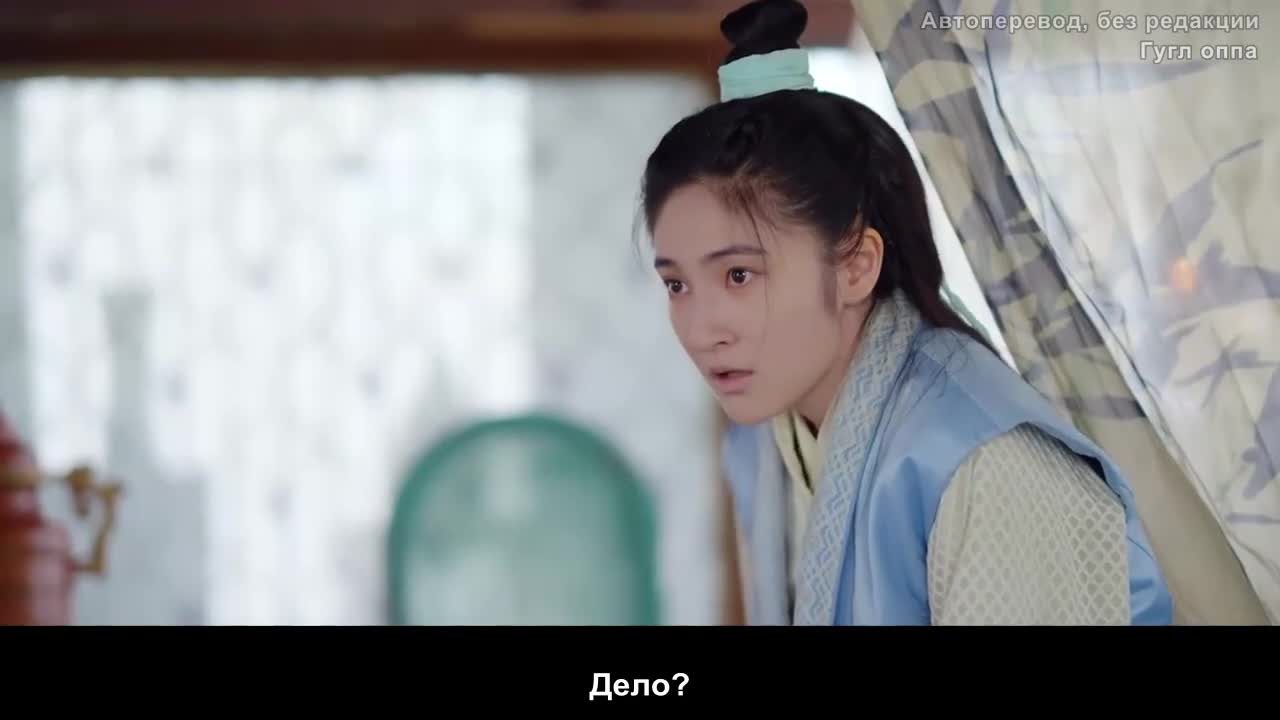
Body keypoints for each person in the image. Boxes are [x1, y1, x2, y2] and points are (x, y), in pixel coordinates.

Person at [640, 0, 1173, 625]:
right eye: (677, 285)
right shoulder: (762, 440)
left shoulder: (986, 462)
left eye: (739, 275)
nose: (702, 329)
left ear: (855, 265)